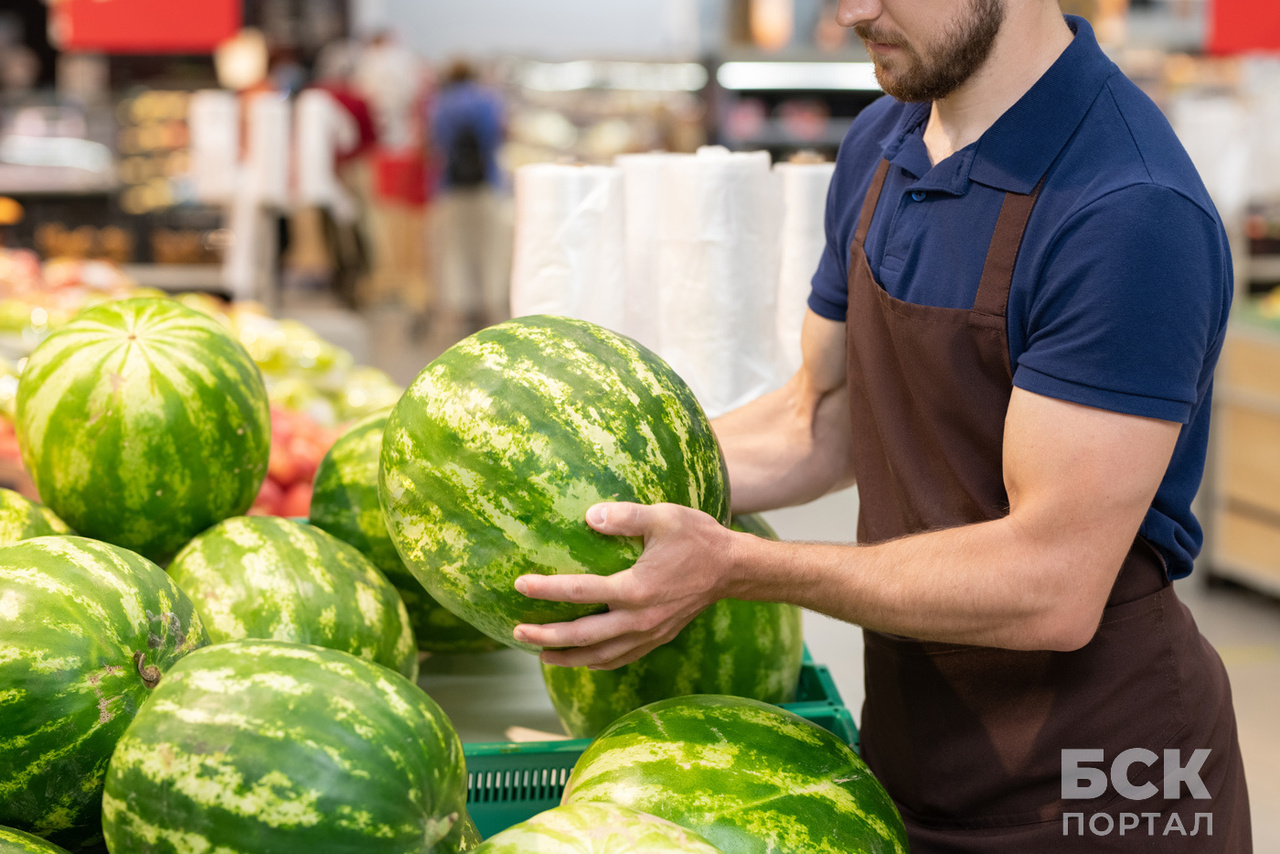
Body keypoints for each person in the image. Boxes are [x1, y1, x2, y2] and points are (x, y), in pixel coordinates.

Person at [513, 1, 1252, 851]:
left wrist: (736, 566)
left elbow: (1051, 583)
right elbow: (820, 418)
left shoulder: (1130, 211)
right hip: (918, 741)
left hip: (1103, 779)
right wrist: (581, 481)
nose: (851, 10)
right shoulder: (880, 143)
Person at [425, 58, 510, 336]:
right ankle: (491, 303)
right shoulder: (487, 100)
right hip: (488, 183)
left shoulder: (440, 103)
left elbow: (433, 143)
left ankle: (458, 306)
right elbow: (499, 137)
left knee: (454, 249)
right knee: (490, 247)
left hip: (449, 185)